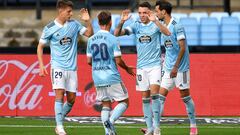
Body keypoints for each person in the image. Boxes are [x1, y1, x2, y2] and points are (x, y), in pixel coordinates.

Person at [37, 0, 93, 135]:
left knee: (72, 99)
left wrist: (87, 21)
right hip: (57, 67)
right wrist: (41, 64)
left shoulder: (74, 24)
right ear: (60, 11)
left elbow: (90, 34)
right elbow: (40, 46)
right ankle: (60, 126)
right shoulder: (50, 27)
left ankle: (59, 121)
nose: (71, 14)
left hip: (72, 68)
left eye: (71, 11)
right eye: (68, 11)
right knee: (59, 95)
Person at [114, 2, 171, 135]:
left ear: (149, 12)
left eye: (144, 12)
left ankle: (157, 128)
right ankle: (149, 128)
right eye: (139, 13)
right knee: (145, 97)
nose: (142, 15)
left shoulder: (155, 24)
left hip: (155, 65)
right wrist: (122, 21)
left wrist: (156, 21)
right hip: (141, 67)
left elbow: (167, 33)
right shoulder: (136, 25)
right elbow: (116, 33)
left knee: (155, 95)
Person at [86, 11, 135, 135]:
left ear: (98, 22)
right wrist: (127, 68)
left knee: (105, 105)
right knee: (124, 101)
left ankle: (108, 132)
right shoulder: (113, 39)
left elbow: (88, 61)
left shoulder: (91, 40)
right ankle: (111, 121)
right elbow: (118, 60)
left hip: (97, 77)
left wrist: (98, 66)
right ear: (110, 22)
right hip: (111, 76)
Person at [155, 1, 198, 135]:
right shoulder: (163, 27)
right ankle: (155, 129)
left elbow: (182, 47)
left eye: (157, 11)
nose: (156, 13)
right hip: (168, 68)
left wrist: (175, 66)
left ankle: (193, 126)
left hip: (180, 68)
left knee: (185, 97)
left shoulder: (177, 25)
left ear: (163, 12)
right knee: (159, 97)